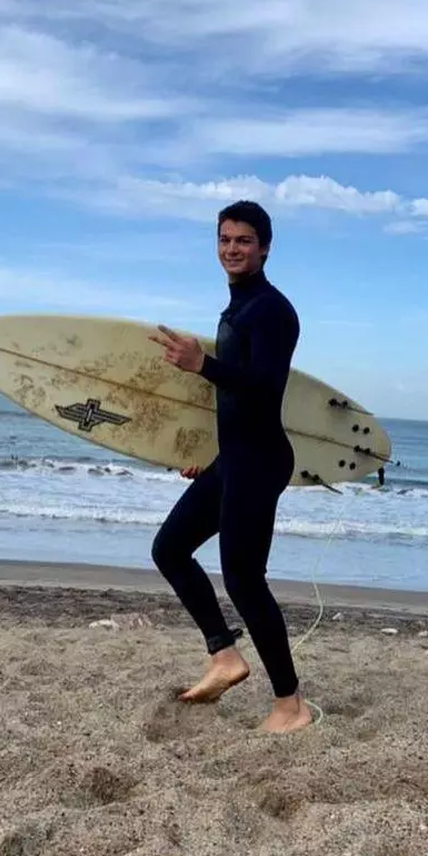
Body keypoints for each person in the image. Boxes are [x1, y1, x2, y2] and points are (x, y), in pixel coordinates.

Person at [148, 200, 310, 734]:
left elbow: (265, 387)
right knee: (170, 549)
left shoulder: (272, 310)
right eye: (224, 239)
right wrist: (207, 454)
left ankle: (290, 705)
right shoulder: (237, 308)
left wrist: (203, 364)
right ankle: (224, 655)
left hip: (260, 460)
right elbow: (231, 403)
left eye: (243, 240)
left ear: (265, 248)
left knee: (244, 580)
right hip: (234, 458)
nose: (232, 249)